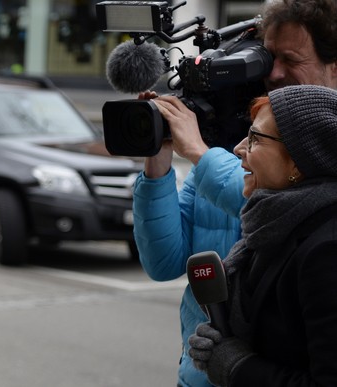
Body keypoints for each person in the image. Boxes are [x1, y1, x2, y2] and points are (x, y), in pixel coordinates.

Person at [132, 0, 337, 385]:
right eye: (267, 56)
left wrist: (197, 151)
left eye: (290, 59)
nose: (273, 73)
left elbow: (264, 202)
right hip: (200, 374)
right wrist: (157, 160)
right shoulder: (232, 139)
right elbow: (163, 262)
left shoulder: (222, 158)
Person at [188, 84, 337, 386]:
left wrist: (237, 367)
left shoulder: (327, 250)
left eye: (255, 138)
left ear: (298, 160)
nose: (239, 148)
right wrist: (222, 337)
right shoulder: (273, 225)